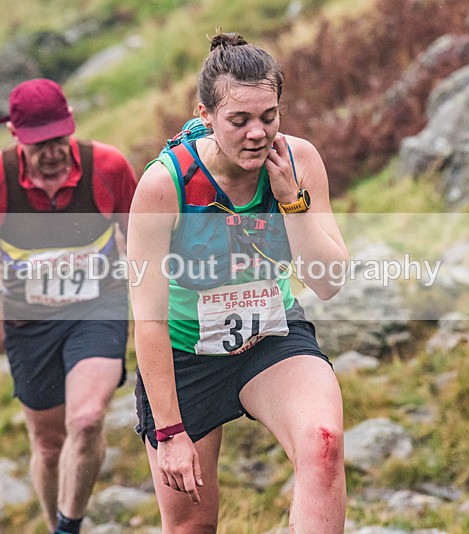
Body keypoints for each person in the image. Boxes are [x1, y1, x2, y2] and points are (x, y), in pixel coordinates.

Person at [128, 32, 349, 532]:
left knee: (323, 444)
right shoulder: (165, 186)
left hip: (271, 336)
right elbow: (148, 318)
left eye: (269, 117)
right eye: (239, 120)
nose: (257, 134)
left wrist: (293, 202)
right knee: (192, 525)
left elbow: (329, 281)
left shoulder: (299, 161)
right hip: (184, 354)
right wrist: (170, 433)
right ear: (205, 114)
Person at [0, 78, 137, 534]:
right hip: (30, 322)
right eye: (40, 142)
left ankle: (69, 525)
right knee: (49, 446)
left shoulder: (107, 167)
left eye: (60, 138)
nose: (52, 151)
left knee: (87, 420)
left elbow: (150, 240)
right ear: (16, 135)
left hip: (98, 308)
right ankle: (57, 525)